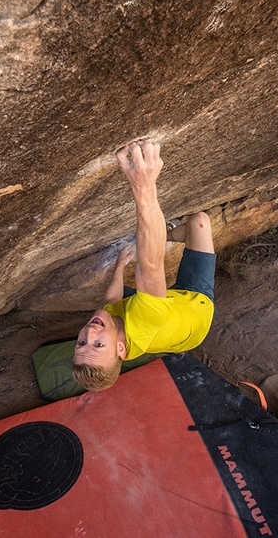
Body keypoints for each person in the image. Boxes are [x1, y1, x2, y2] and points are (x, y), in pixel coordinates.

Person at [72, 140, 216, 391]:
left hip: (171, 325)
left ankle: (165, 233)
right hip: (196, 309)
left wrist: (120, 264)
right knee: (200, 222)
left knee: (112, 305)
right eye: (98, 345)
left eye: (81, 344)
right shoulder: (145, 320)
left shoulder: (107, 325)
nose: (89, 334)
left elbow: (112, 299)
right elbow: (151, 265)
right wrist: (144, 186)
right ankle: (165, 234)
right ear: (120, 348)